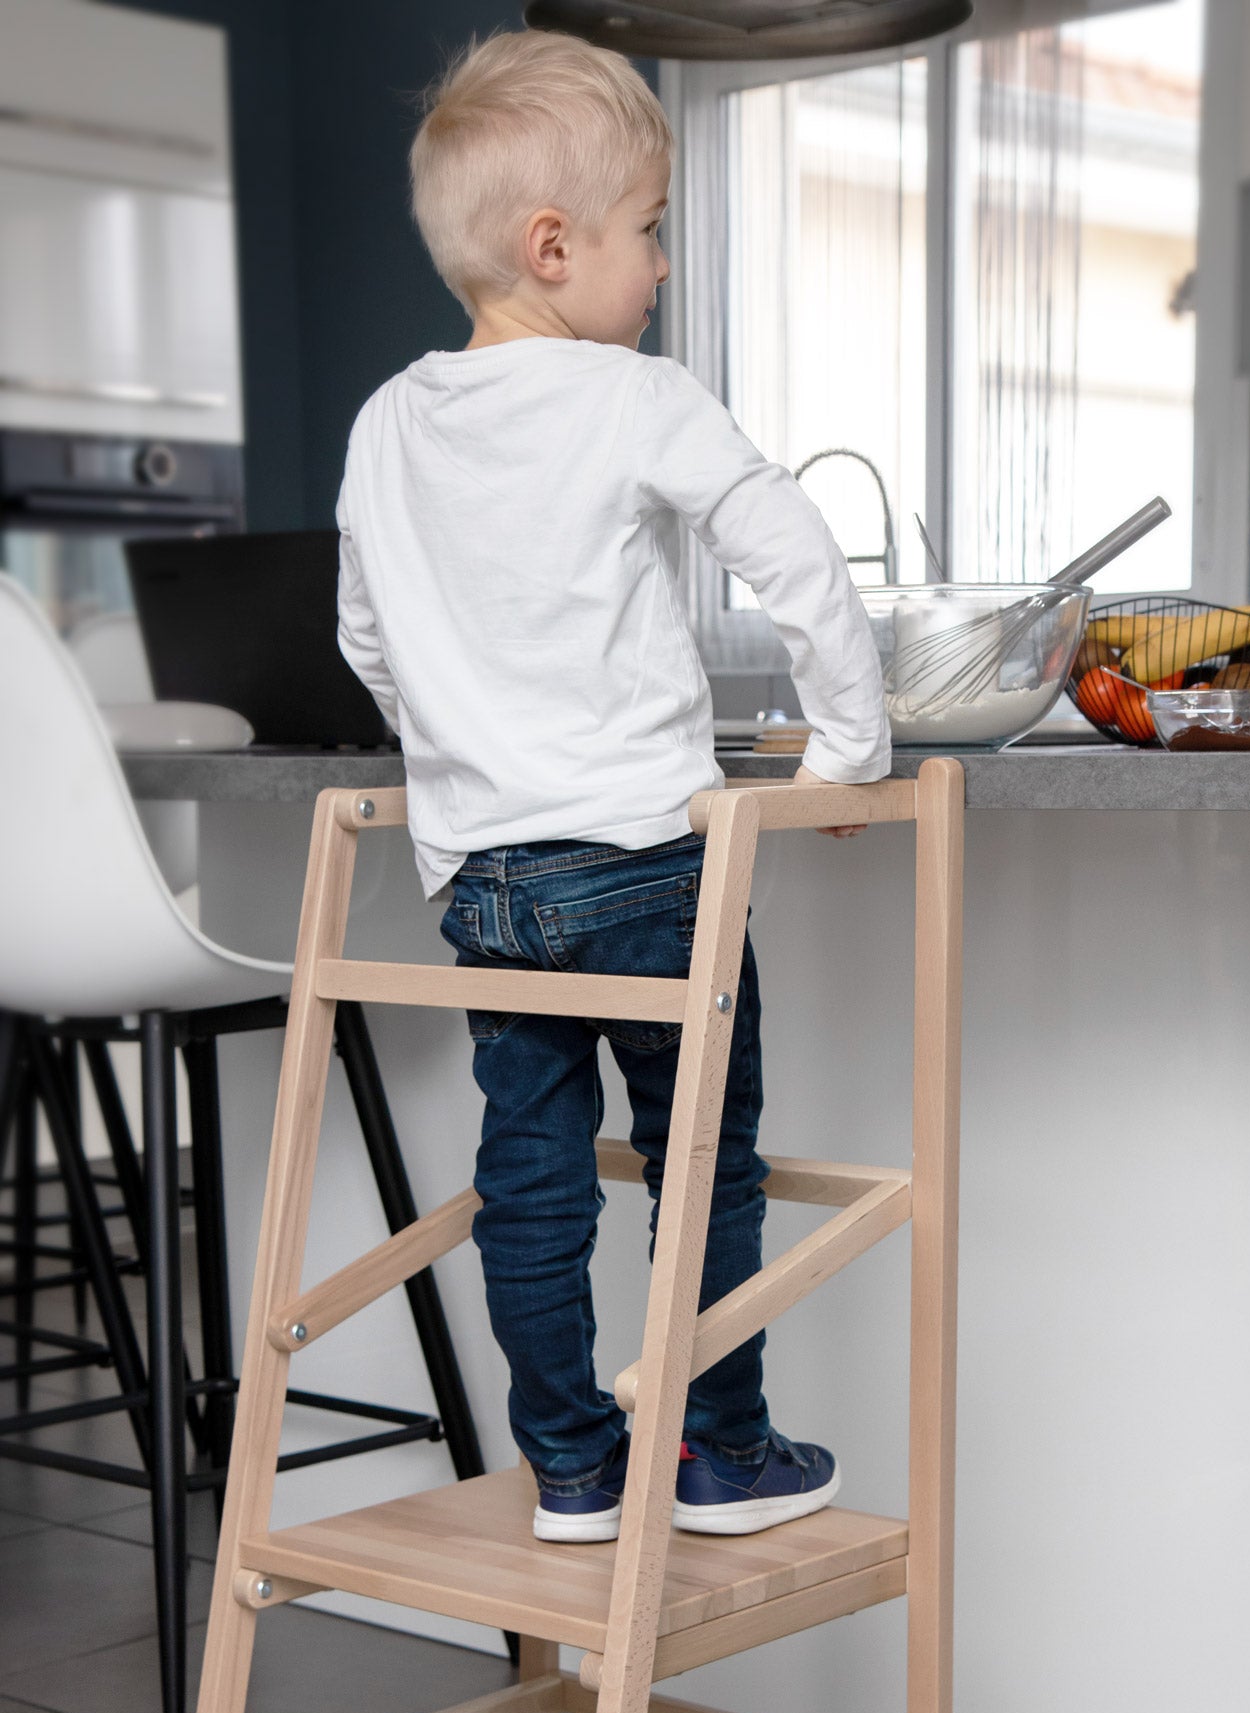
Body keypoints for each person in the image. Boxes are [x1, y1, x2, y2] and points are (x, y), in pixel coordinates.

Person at [336, 29, 890, 1543]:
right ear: (553, 245)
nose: (658, 268)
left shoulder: (390, 422)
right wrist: (850, 748)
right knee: (698, 1158)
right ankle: (717, 1449)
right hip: (649, 860)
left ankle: (571, 1468)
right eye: (649, 231)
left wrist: (461, 746)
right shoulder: (633, 395)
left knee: (530, 1169)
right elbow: (792, 550)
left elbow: (366, 637)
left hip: (487, 880)